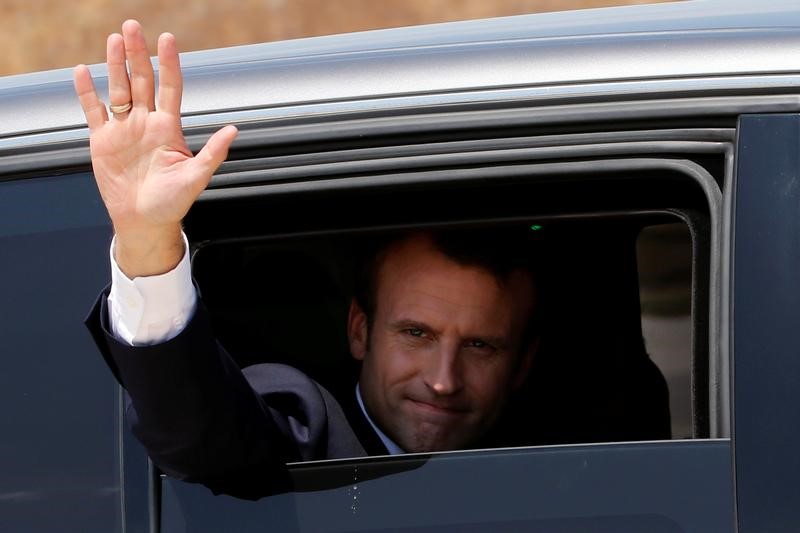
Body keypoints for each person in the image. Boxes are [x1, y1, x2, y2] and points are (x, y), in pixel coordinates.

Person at [76, 20, 539, 499]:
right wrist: (148, 242)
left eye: (481, 346)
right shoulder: (306, 433)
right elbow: (199, 435)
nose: (444, 381)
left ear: (523, 364)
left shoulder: (561, 470)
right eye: (416, 334)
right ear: (360, 330)